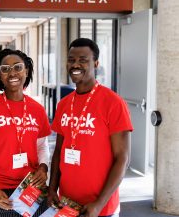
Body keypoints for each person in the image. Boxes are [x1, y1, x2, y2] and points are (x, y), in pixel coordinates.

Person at [48, 38, 133, 217]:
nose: (75, 64)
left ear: (96, 63)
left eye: (83, 60)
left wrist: (99, 204)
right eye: (71, 60)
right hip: (67, 204)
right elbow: (58, 150)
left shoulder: (113, 103)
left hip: (100, 208)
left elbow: (122, 158)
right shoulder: (64, 104)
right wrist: (52, 189)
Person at [0, 49, 51, 217]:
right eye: (5, 69)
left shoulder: (38, 110)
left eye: (18, 67)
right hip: (0, 191)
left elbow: (42, 146)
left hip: (32, 189)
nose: (12, 72)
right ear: (0, 76)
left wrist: (43, 167)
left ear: (26, 71)